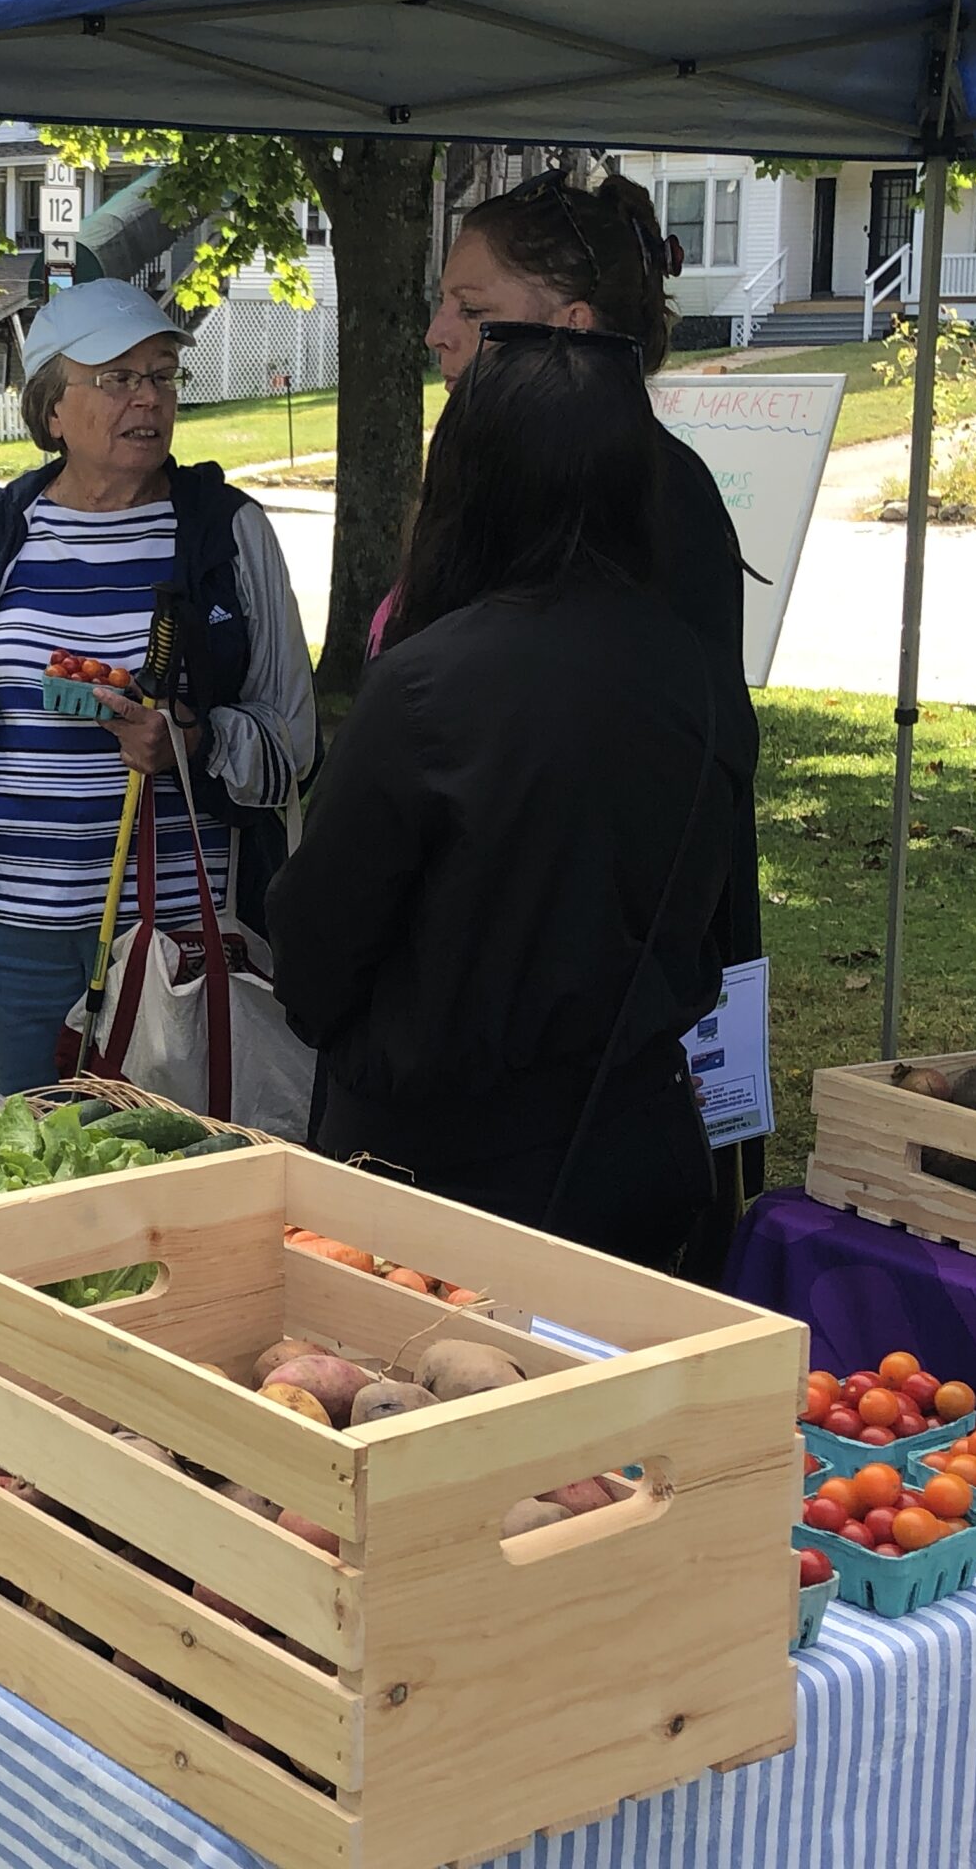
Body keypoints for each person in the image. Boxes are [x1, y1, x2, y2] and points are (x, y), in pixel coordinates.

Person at [270, 325, 757, 1271]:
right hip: (634, 1144)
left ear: (468, 476)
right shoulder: (697, 673)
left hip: (438, 1165)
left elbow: (319, 937)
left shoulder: (426, 686)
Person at [420, 166, 764, 1278]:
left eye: (472, 312)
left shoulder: (652, 502)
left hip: (574, 1024)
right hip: (485, 1011)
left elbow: (646, 772)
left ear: (568, 330)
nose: (436, 335)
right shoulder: (481, 477)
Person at [0, 280, 317, 1095]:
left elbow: (292, 747)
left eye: (163, 376)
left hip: (173, 945)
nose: (148, 400)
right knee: (23, 1171)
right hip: (12, 932)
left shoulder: (227, 535)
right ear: (52, 410)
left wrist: (192, 745)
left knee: (170, 1184)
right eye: (117, 378)